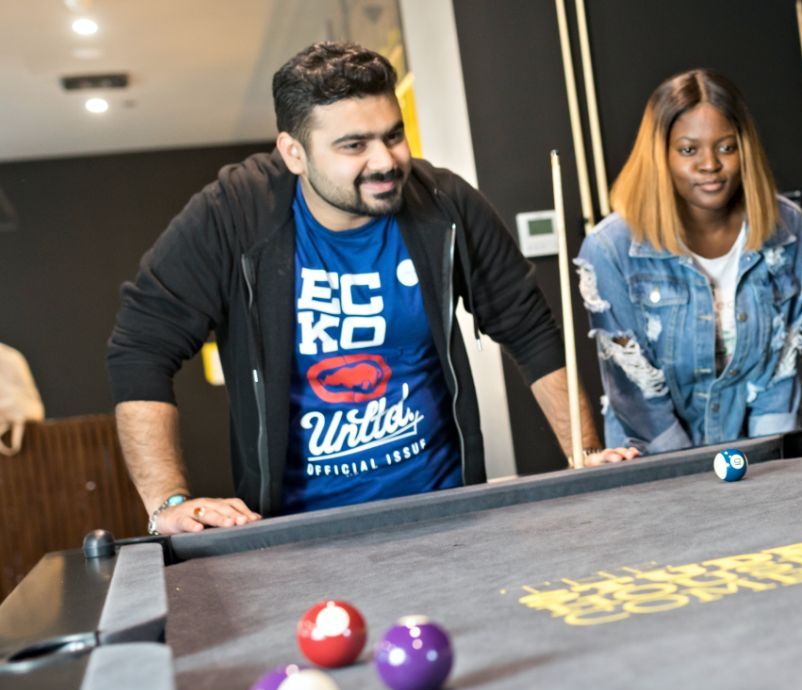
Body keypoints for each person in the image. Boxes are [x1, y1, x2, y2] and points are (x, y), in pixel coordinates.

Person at [108, 42, 635, 536]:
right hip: (294, 534)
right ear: (294, 153)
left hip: (446, 513)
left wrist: (584, 456)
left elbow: (532, 331)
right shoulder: (231, 216)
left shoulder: (445, 205)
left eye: (393, 135)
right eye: (354, 145)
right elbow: (140, 350)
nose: (384, 160)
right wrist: (169, 505)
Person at [575, 69, 802, 454]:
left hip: (753, 462)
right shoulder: (611, 248)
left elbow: (780, 371)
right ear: (660, 155)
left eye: (726, 147)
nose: (710, 165)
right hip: (655, 467)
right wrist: (689, 475)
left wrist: (771, 464)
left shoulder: (786, 228)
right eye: (689, 150)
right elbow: (635, 395)